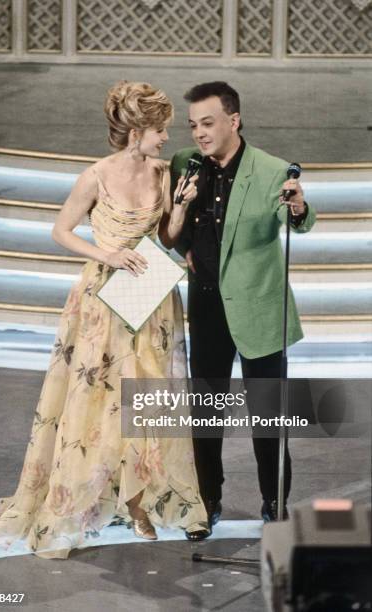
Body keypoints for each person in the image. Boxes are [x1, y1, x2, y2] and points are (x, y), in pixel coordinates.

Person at [0, 81, 210, 558]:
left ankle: (140, 501)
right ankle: (83, 494)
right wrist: (109, 253)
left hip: (150, 297)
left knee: (146, 398)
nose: (166, 138)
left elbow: (165, 237)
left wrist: (182, 207)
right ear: (136, 132)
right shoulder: (95, 176)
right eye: (159, 130)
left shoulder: (164, 174)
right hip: (102, 296)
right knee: (96, 397)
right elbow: (61, 231)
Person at [170, 81, 316, 534]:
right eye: (193, 125)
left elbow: (297, 219)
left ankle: (274, 505)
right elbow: (172, 228)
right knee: (205, 412)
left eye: (208, 123)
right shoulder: (184, 164)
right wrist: (185, 249)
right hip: (208, 305)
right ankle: (207, 501)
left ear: (234, 120)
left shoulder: (272, 171)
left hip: (258, 306)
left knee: (268, 415)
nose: (199, 133)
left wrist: (297, 206)